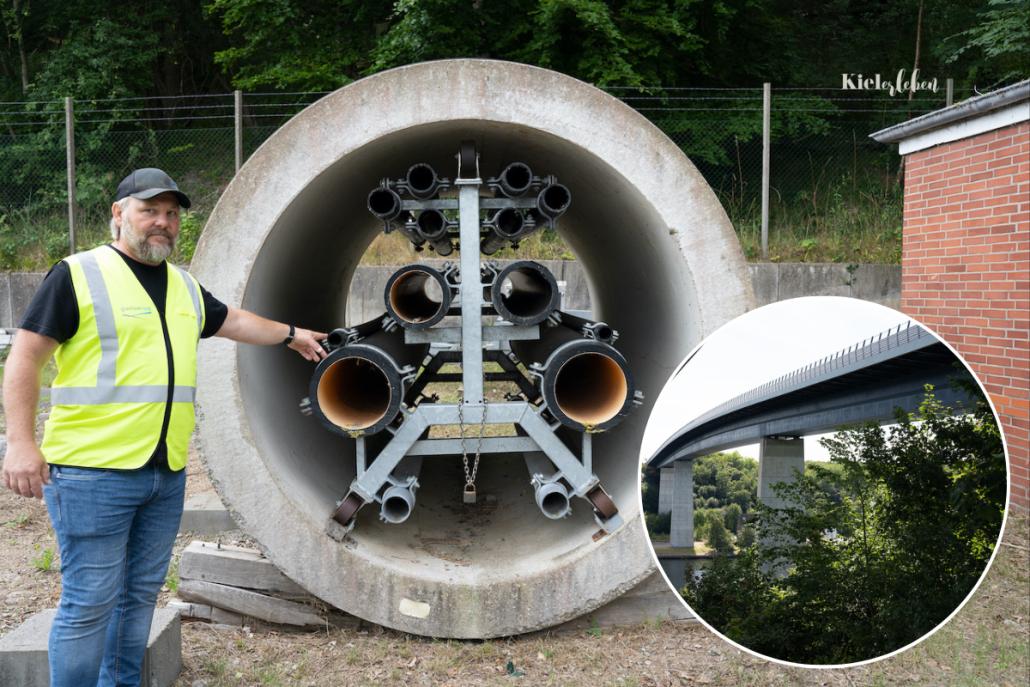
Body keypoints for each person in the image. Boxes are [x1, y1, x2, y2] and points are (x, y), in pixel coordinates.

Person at [1, 168, 327, 687]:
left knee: (137, 602)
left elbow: (233, 321)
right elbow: (25, 358)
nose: (163, 222)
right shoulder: (78, 274)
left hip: (163, 473)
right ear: (118, 214)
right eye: (149, 210)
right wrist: (20, 443)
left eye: (172, 213)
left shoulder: (183, 286)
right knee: (89, 603)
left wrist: (290, 334)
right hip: (92, 474)